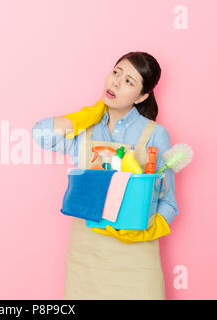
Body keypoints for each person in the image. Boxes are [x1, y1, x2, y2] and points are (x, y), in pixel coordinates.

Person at [32, 51, 178, 300]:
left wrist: (148, 231)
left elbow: (169, 203)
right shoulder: (84, 130)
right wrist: (87, 115)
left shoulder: (155, 134)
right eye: (116, 72)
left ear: (142, 96)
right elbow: (41, 134)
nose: (116, 83)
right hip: (86, 261)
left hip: (137, 260)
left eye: (129, 81)